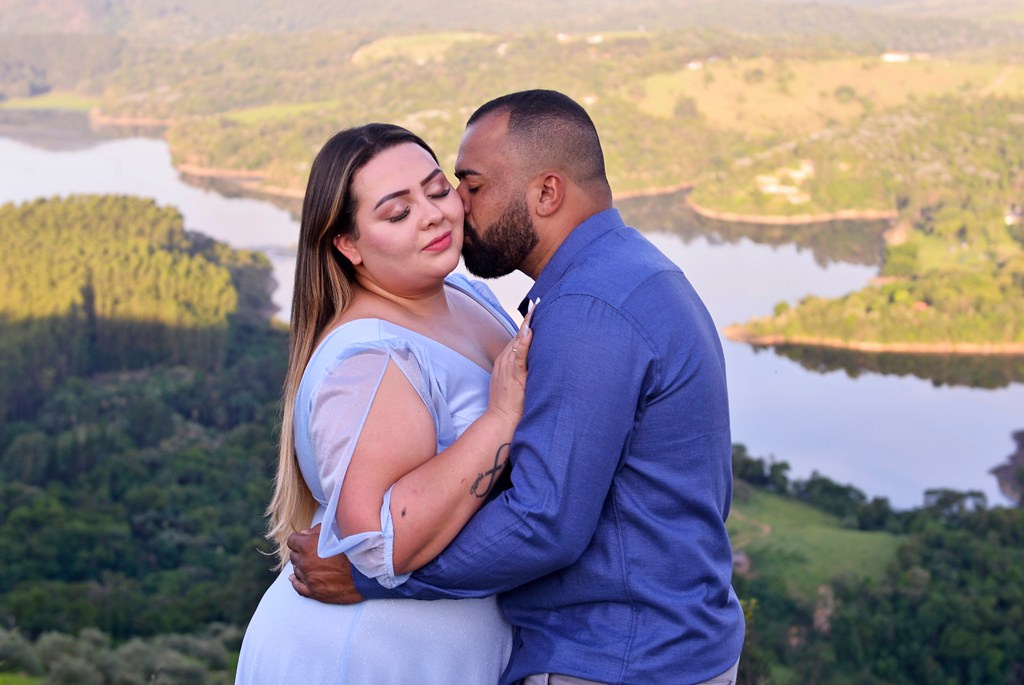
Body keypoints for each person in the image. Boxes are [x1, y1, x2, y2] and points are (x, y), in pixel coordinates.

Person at [290, 89, 745, 685]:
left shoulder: (588, 306)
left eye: (468, 186)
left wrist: (365, 576)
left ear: (546, 193)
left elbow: (543, 522)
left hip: (615, 659)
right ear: (348, 244)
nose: (454, 206)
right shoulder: (625, 269)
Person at [234, 123, 535, 684]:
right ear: (348, 245)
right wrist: (501, 418)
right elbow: (376, 543)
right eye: (398, 213)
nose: (432, 215)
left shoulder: (465, 293)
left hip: (443, 650)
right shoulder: (370, 358)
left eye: (437, 189)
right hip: (373, 657)